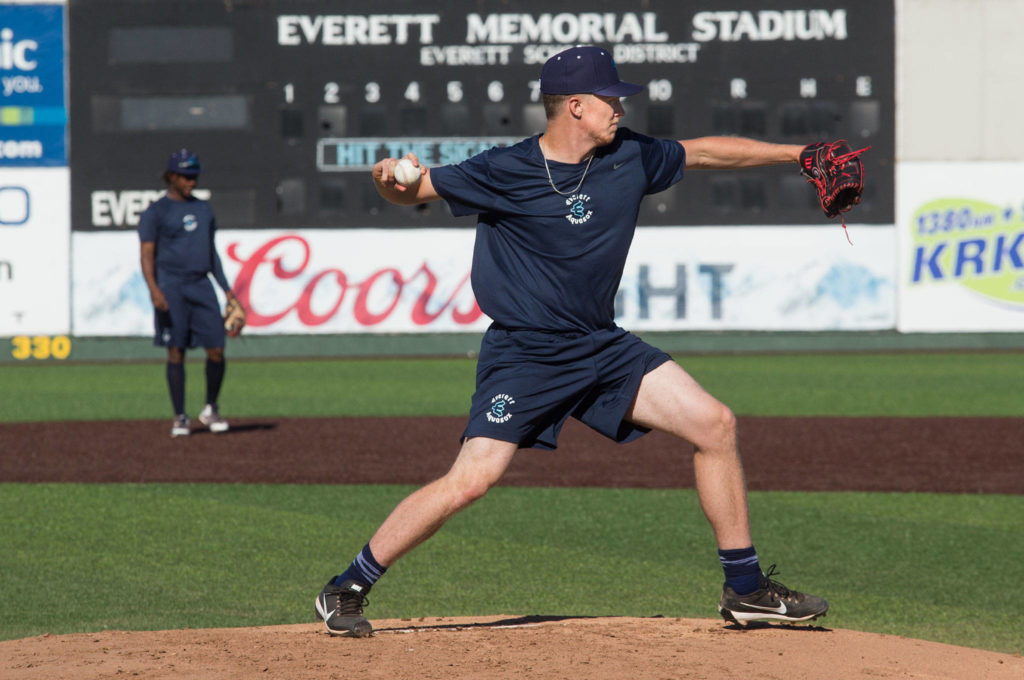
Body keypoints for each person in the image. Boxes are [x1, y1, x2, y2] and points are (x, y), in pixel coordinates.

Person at [315, 46, 829, 637]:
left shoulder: (630, 154)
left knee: (714, 424)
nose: (620, 108)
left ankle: (746, 591)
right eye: (610, 98)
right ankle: (346, 586)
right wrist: (387, 178)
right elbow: (413, 189)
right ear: (576, 107)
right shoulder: (504, 169)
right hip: (527, 352)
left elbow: (707, 151)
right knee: (472, 479)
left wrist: (801, 153)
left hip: (601, 345)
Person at [139, 148, 235, 437]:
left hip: (201, 285)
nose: (191, 181)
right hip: (172, 286)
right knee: (176, 349)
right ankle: (180, 416)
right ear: (171, 176)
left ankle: (210, 408)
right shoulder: (157, 212)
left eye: (194, 176)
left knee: (217, 349)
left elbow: (211, 253)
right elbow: (146, 254)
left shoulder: (203, 209)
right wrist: (154, 289)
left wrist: (227, 291)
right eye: (185, 176)